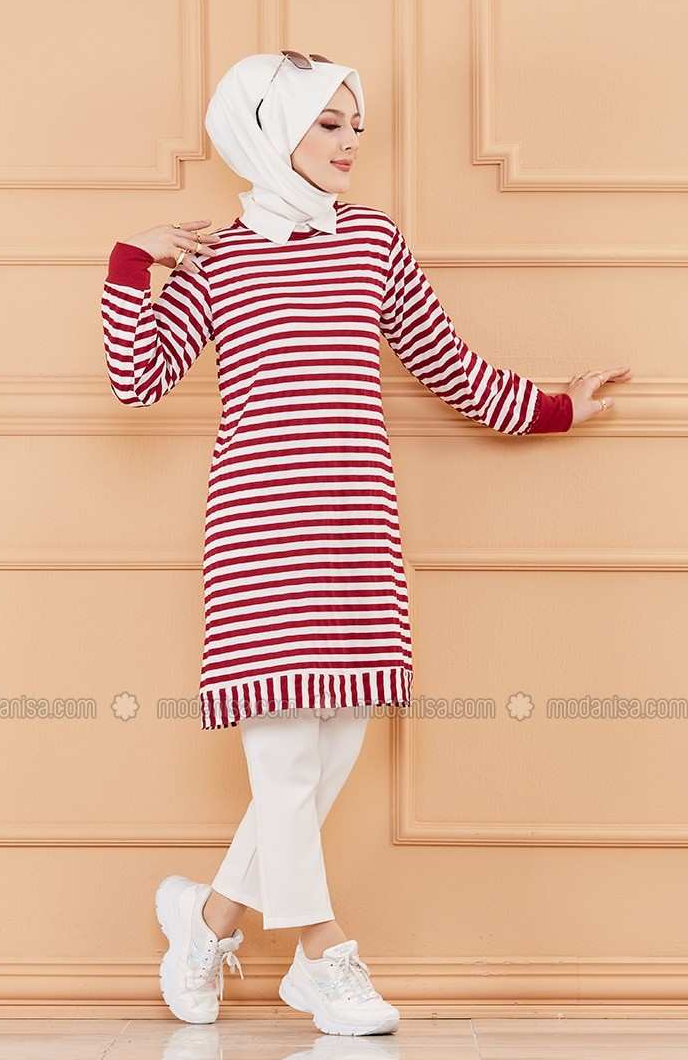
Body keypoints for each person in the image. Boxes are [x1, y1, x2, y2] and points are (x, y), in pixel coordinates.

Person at [100, 51, 632, 1036]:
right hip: (259, 531)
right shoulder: (219, 261)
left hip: (355, 528)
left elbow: (449, 365)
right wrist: (133, 261)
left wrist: (557, 406)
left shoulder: (373, 243)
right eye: (329, 123)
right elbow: (136, 380)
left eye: (356, 125)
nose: (351, 142)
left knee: (329, 753)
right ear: (271, 130)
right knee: (282, 760)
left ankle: (207, 922)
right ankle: (321, 956)